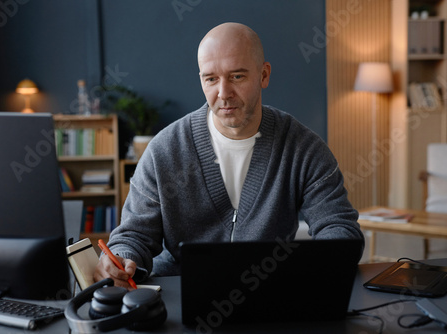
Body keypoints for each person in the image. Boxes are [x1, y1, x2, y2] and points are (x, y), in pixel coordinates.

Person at [94, 22, 364, 288]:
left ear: (264, 75)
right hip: (179, 291)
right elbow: (133, 235)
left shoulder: (302, 148)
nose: (223, 94)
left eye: (237, 76)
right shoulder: (164, 150)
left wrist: (319, 266)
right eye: (211, 79)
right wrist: (121, 259)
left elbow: (338, 227)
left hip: (268, 293)